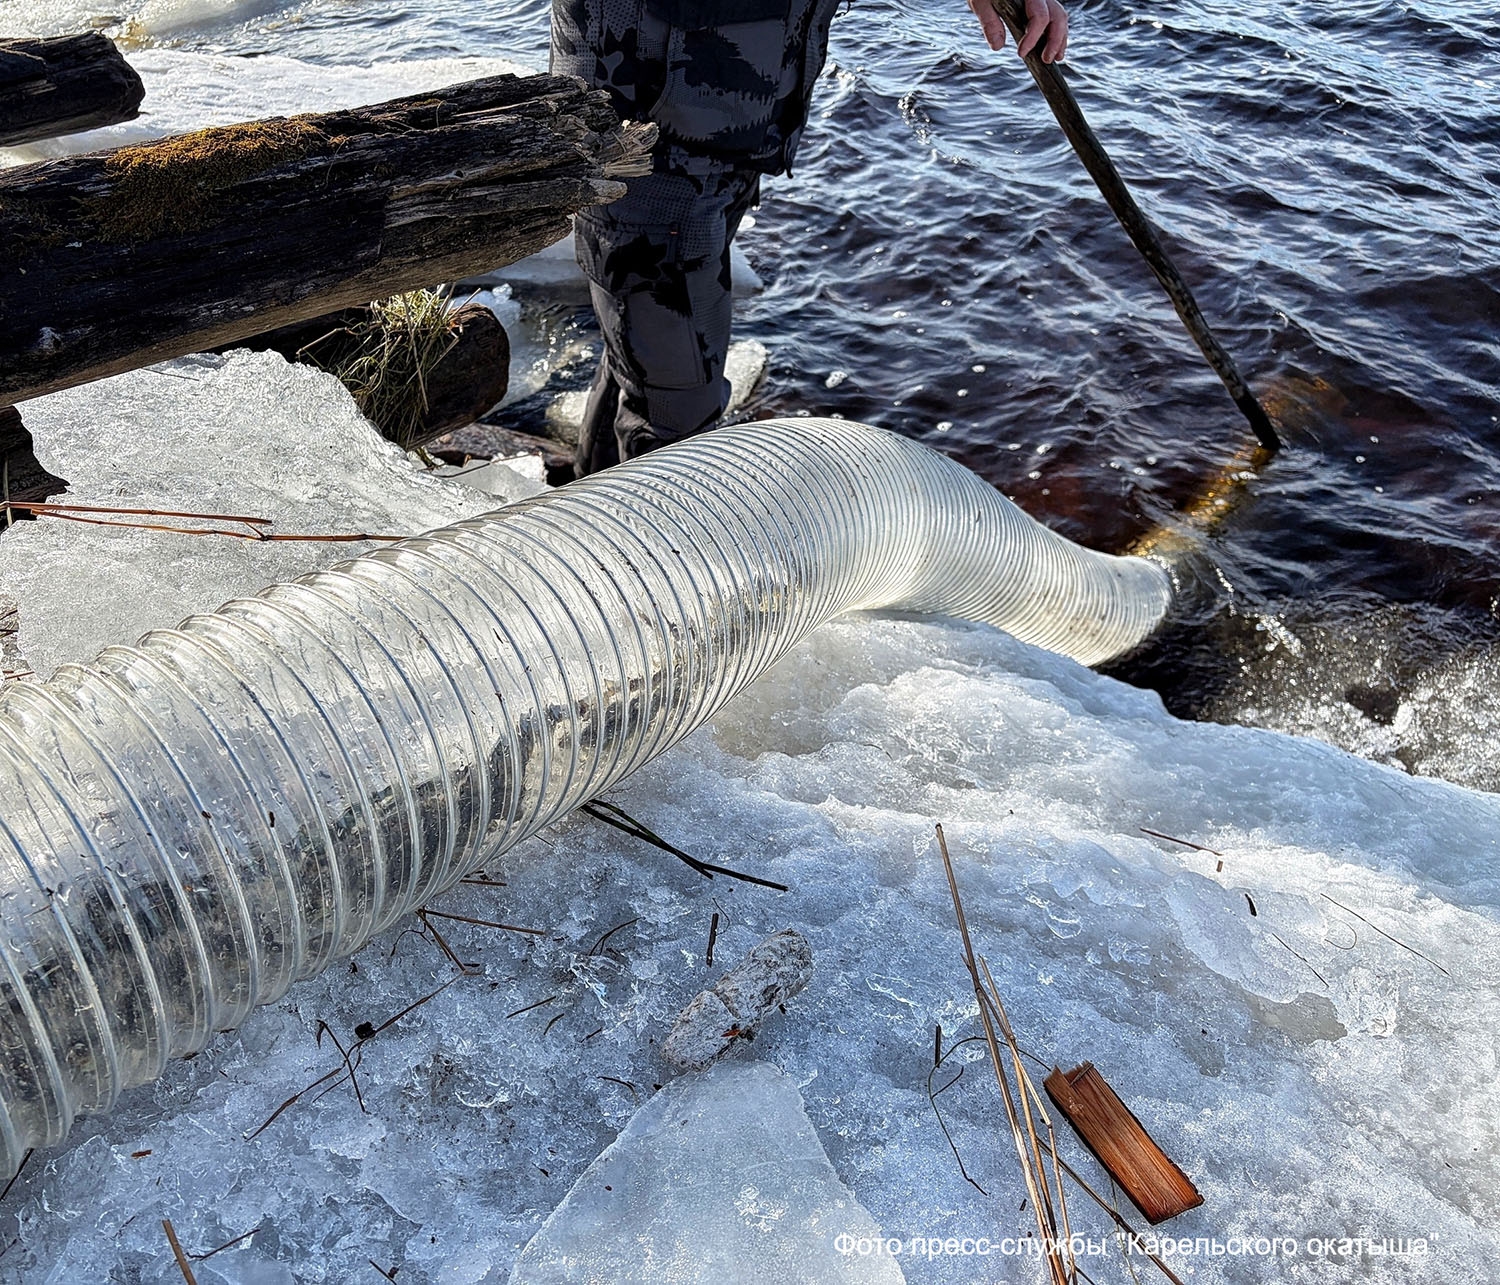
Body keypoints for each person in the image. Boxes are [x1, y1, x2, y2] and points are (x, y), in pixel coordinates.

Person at [553, 0, 1069, 477]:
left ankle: (582, 512)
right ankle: (641, 568)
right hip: (649, 140)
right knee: (676, 424)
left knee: (643, 365)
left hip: (723, 130)